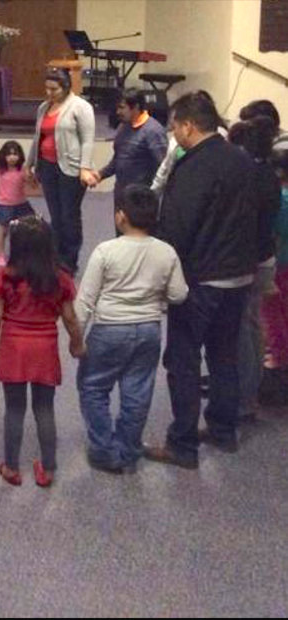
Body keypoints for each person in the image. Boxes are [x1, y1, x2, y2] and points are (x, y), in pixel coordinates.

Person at [145, 92, 257, 468]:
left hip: (201, 278)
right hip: (240, 276)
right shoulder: (242, 161)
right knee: (224, 356)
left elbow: (179, 225)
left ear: (189, 126)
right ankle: (224, 430)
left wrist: (164, 276)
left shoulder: (192, 167)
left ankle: (183, 444)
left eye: (175, 127)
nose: (174, 134)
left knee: (184, 359)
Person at [75, 185, 187, 473]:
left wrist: (76, 338)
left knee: (93, 387)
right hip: (149, 330)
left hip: (109, 329)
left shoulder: (106, 251)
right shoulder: (167, 252)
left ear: (121, 217)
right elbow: (178, 295)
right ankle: (129, 447)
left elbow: (85, 300)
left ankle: (104, 450)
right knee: (137, 390)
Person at [0, 216, 85, 488]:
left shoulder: (6, 277)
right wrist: (76, 343)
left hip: (14, 346)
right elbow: (70, 318)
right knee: (45, 408)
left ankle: (10, 467)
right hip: (45, 348)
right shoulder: (60, 279)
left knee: (15, 408)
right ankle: (49, 468)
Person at [226, 117, 281, 423]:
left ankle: (245, 399)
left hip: (251, 261)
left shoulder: (249, 178)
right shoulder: (269, 175)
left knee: (243, 333)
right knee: (254, 327)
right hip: (265, 258)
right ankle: (251, 389)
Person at [25, 69, 97, 275]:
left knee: (69, 216)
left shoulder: (81, 107)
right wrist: (29, 164)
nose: (49, 93)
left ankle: (70, 260)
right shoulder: (43, 107)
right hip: (47, 166)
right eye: (46, 88)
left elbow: (87, 140)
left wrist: (85, 168)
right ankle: (56, 258)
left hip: (71, 169)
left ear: (66, 87)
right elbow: (37, 137)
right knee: (55, 216)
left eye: (54, 89)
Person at [92, 89, 168, 216]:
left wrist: (152, 195)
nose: (118, 112)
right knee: (121, 234)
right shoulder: (124, 127)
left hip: (142, 199)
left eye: (122, 108)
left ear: (136, 107)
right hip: (121, 194)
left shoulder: (153, 131)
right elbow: (119, 159)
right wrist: (100, 175)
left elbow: (164, 167)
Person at [260, 151, 288, 402]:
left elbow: (274, 233)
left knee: (273, 314)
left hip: (280, 263)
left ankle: (277, 359)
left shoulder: (282, 200)